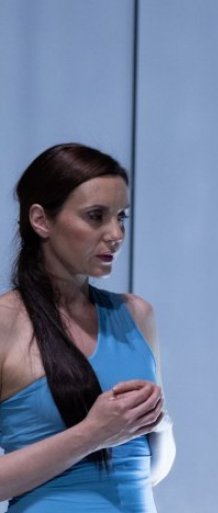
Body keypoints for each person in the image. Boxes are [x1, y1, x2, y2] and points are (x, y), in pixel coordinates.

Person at [0, 143, 175, 512]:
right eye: (96, 216)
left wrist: (158, 423)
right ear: (41, 220)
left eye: (120, 217)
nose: (116, 234)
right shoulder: (6, 323)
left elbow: (149, 469)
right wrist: (92, 434)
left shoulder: (135, 314)